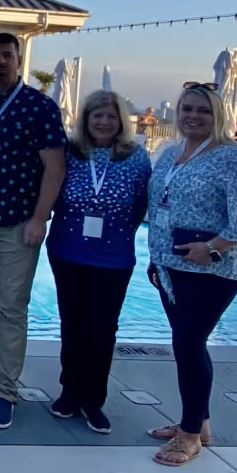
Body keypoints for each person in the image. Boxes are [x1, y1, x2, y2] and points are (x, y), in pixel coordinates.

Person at [147, 83, 237, 466]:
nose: (193, 116)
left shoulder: (235, 158)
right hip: (170, 267)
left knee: (188, 343)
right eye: (187, 108)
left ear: (218, 115)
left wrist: (212, 248)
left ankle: (189, 437)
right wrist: (158, 257)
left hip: (211, 270)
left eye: (202, 110)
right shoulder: (170, 154)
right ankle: (198, 423)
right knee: (187, 345)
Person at [0, 32, 67, 430]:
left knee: (12, 306)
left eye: (8, 55)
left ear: (19, 59)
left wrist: (40, 219)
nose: (1, 61)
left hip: (19, 222)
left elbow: (54, 168)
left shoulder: (40, 107)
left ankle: (5, 389)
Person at [46, 90, 152, 434]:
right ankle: (68, 392)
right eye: (97, 116)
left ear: (121, 120)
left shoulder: (135, 157)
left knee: (102, 329)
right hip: (67, 252)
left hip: (113, 258)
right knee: (72, 323)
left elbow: (140, 205)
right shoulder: (72, 153)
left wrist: (116, 236)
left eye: (110, 116)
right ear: (86, 120)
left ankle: (93, 399)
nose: (104, 122)